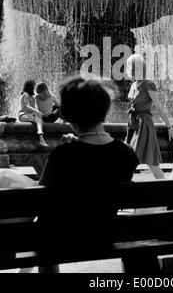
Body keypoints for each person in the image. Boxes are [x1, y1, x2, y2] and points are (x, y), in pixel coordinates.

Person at [37, 77, 139, 273]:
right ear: (104, 111)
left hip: (64, 238)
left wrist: (72, 148)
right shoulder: (126, 154)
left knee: (44, 229)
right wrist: (78, 144)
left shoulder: (62, 157)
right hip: (108, 234)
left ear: (68, 116)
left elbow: (39, 200)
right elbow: (97, 161)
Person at [125, 53, 173, 179]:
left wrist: (169, 127)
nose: (129, 70)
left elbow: (159, 107)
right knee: (142, 160)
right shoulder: (133, 84)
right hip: (134, 124)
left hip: (144, 124)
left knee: (149, 162)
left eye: (131, 67)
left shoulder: (148, 84)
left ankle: (167, 190)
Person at [18, 80, 48, 147]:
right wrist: (37, 112)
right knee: (39, 120)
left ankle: (41, 137)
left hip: (30, 115)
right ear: (30, 87)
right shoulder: (25, 94)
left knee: (39, 120)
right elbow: (27, 106)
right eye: (33, 86)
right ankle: (41, 138)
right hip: (23, 115)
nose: (34, 87)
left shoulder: (32, 96)